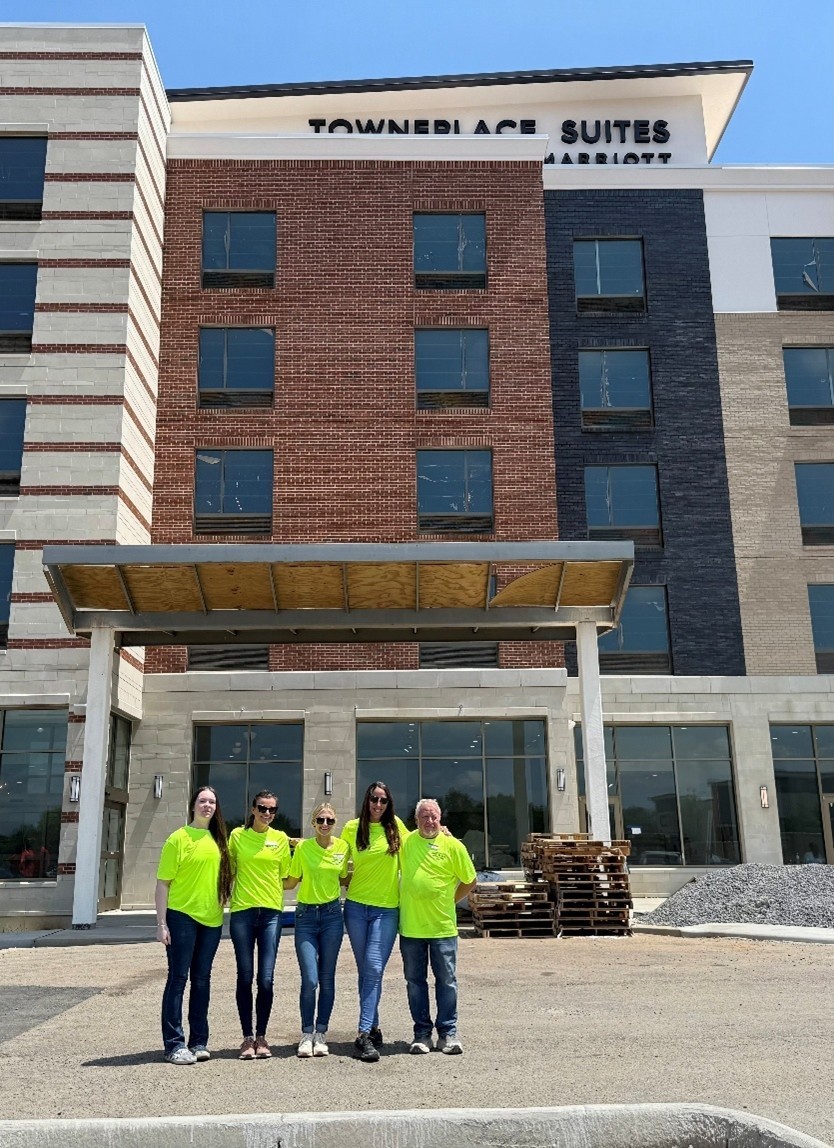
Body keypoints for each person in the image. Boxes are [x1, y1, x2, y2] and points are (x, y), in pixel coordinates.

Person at [155, 786, 232, 1065]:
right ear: (193, 805)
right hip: (181, 917)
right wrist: (161, 923)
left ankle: (199, 1041)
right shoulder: (178, 839)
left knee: (202, 981)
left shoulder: (219, 840)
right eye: (202, 801)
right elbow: (163, 884)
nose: (207, 806)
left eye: (212, 801)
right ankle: (174, 1044)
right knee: (178, 979)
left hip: (211, 921)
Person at [399, 797, 476, 1056]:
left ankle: (448, 1034)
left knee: (447, 981)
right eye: (424, 816)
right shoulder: (406, 842)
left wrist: (450, 899)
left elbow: (469, 879)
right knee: (415, 982)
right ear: (416, 819)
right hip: (411, 928)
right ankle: (421, 1035)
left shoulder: (453, 846)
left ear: (440, 819)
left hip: (443, 928)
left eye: (433, 816)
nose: (429, 821)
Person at [341, 781, 410, 1062]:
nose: (378, 805)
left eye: (383, 800)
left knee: (372, 966)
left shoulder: (397, 828)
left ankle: (363, 1033)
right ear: (366, 800)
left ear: (389, 802)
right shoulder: (352, 828)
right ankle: (375, 1026)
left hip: (386, 910)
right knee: (367, 970)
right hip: (356, 907)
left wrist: (441, 833)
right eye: (373, 799)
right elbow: (335, 856)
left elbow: (418, 846)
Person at [228, 789, 291, 1059]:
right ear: (252, 809)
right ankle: (246, 1038)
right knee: (245, 976)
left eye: (272, 810)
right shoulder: (237, 836)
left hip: (271, 915)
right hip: (242, 912)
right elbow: (228, 871)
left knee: (265, 979)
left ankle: (262, 1037)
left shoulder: (280, 839)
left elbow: (288, 878)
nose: (267, 814)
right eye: (262, 808)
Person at [284, 801, 349, 1057]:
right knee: (310, 979)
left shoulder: (343, 847)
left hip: (333, 915)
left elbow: (345, 877)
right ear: (313, 823)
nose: (324, 825)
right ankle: (306, 1033)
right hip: (306, 917)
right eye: (320, 820)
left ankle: (321, 1033)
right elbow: (290, 881)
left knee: (327, 978)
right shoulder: (303, 848)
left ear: (335, 824)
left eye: (329, 821)